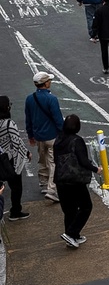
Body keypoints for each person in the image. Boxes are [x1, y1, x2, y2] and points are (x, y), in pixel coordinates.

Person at [54, 114, 99, 248]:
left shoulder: (58, 140)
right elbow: (83, 161)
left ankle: (73, 236)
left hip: (60, 179)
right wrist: (96, 169)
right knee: (86, 206)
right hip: (74, 180)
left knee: (69, 210)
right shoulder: (77, 140)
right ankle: (71, 233)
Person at [25, 71, 64, 203]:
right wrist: (63, 134)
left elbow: (28, 119)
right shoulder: (52, 99)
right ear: (46, 83)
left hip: (38, 136)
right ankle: (52, 190)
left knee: (42, 159)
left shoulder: (30, 99)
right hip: (52, 135)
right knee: (53, 162)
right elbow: (58, 119)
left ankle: (43, 182)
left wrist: (30, 135)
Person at [0, 96, 31, 220]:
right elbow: (17, 142)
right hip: (10, 159)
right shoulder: (9, 123)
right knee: (16, 187)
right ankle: (15, 211)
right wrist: (27, 153)